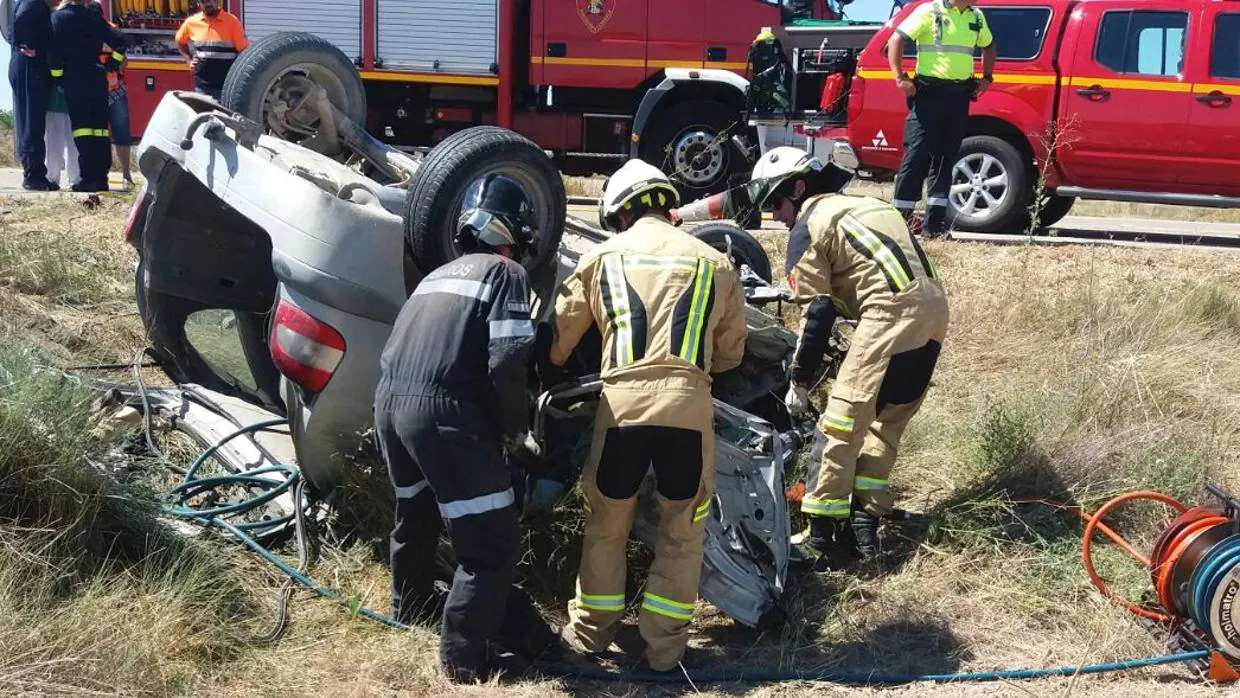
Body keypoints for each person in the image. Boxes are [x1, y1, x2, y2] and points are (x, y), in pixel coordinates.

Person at [547, 159, 748, 672]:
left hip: (623, 411)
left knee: (607, 523)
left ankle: (591, 634)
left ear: (617, 213)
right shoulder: (714, 262)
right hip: (688, 408)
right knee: (683, 530)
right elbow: (732, 354)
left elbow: (558, 345)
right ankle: (664, 653)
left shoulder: (600, 257)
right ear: (670, 209)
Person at [373, 174, 558, 683]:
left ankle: (407, 611)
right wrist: (515, 430)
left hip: (390, 408)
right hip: (443, 416)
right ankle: (463, 661)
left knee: (417, 518)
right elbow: (509, 356)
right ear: (514, 234)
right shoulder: (504, 274)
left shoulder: (436, 275)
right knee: (490, 548)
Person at [748, 145, 948, 568]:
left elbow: (816, 309)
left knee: (839, 421)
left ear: (798, 188)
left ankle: (820, 534)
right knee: (886, 420)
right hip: (934, 312)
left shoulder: (809, 224)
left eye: (776, 204)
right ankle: (864, 525)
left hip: (889, 312)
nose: (776, 217)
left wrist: (799, 381)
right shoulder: (865, 206)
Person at [887, 0, 996, 238]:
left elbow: (989, 45)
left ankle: (934, 226)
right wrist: (900, 78)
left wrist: (987, 77)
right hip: (928, 94)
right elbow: (895, 40)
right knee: (916, 155)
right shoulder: (929, 11)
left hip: (958, 96)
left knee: (946, 159)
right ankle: (901, 224)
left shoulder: (976, 16)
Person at [49, 0, 127, 193]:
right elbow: (121, 43)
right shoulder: (94, 18)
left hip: (75, 80)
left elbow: (54, 53)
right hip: (97, 78)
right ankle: (102, 178)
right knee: (100, 130)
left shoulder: (58, 18)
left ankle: (89, 178)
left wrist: (58, 78)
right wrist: (110, 65)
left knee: (82, 130)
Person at [9, 0, 57, 190]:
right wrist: (28, 43)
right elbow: (22, 20)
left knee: (31, 120)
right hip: (30, 66)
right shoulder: (33, 4)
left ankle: (34, 171)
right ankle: (33, 175)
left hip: (27, 64)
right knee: (31, 121)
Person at [92, 0, 132, 188]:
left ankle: (126, 174)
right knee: (99, 135)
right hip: (97, 90)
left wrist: (112, 64)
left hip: (115, 89)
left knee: (121, 133)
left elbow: (125, 62)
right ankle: (101, 175)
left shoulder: (112, 31)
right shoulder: (85, 31)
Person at [175, 0, 247, 101]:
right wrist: (189, 60)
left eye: (211, 0)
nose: (208, 3)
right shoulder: (191, 23)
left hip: (226, 85)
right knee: (204, 112)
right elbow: (179, 41)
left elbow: (243, 52)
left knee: (224, 115)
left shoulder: (232, 22)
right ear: (198, 3)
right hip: (202, 84)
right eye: (204, 1)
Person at [43, 80, 79, 187]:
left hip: (71, 102)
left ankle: (73, 180)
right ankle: (53, 179)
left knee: (71, 145)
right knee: (54, 144)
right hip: (54, 101)